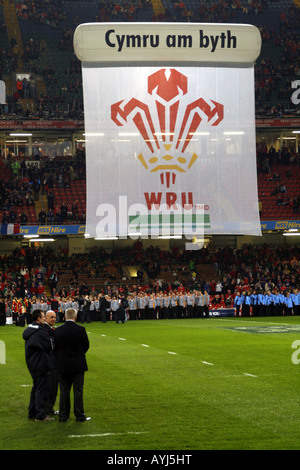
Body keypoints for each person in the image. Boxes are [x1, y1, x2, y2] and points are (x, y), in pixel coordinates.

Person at [54, 308, 90, 422]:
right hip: (77, 365)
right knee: (78, 391)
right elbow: (86, 345)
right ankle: (79, 415)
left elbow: (55, 347)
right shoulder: (80, 329)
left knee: (64, 391)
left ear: (64, 317)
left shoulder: (58, 330)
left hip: (63, 364)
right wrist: (79, 355)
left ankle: (63, 416)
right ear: (75, 317)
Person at [22, 309, 55, 421]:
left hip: (32, 363)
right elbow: (50, 345)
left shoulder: (30, 330)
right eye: (43, 316)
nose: (44, 318)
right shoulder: (40, 332)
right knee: (41, 389)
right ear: (39, 318)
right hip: (41, 363)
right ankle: (40, 415)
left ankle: (32, 412)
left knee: (36, 387)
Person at [43, 310, 58, 416]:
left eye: (54, 317)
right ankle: (47, 409)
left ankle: (49, 408)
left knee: (53, 386)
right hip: (49, 362)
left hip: (52, 362)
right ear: (45, 318)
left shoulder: (50, 328)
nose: (53, 319)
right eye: (51, 317)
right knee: (50, 387)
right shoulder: (45, 329)